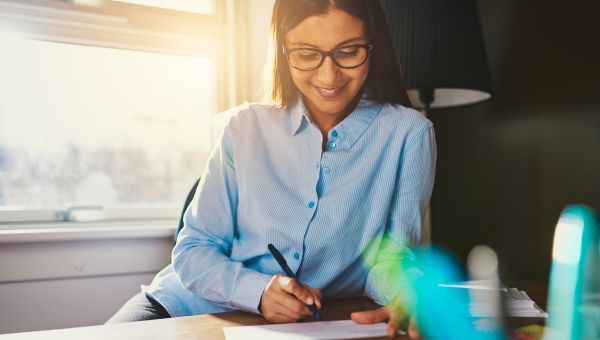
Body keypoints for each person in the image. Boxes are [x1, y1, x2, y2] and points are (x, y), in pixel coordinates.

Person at [107, 0, 435, 338]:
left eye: (349, 52)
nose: (328, 76)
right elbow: (193, 251)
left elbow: (393, 258)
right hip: (185, 306)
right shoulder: (243, 127)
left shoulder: (409, 134)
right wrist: (258, 291)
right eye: (307, 54)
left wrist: (407, 294)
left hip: (312, 324)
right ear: (283, 50)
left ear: (373, 47)